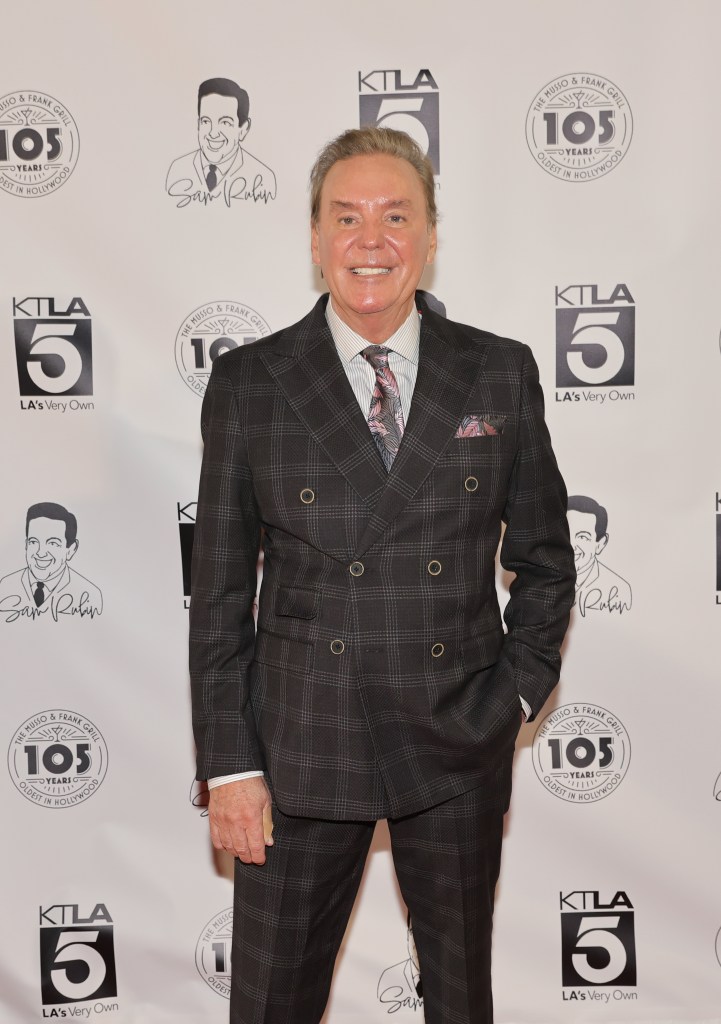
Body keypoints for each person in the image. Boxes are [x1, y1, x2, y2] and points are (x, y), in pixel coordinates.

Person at [189, 126, 575, 1023]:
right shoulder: (251, 382)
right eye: (347, 217)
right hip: (300, 746)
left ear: (430, 237)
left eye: (396, 216)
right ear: (316, 238)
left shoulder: (499, 371)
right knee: (270, 1003)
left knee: (458, 1002)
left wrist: (511, 700)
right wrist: (231, 763)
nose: (372, 240)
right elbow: (216, 595)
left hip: (454, 740)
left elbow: (546, 563)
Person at [166, 77, 277, 207]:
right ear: (198, 124)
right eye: (206, 121)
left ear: (243, 129)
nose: (213, 133)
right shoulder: (177, 169)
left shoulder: (263, 178)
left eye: (225, 123)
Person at [0, 501, 102, 620]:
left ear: (71, 550)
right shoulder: (4, 586)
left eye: (53, 543)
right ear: (26, 545)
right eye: (33, 542)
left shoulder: (88, 595)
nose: (40, 553)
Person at [567, 494, 632, 615]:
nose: (572, 544)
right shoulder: (538, 578)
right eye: (567, 533)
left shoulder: (618, 590)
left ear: (600, 544)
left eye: (582, 537)